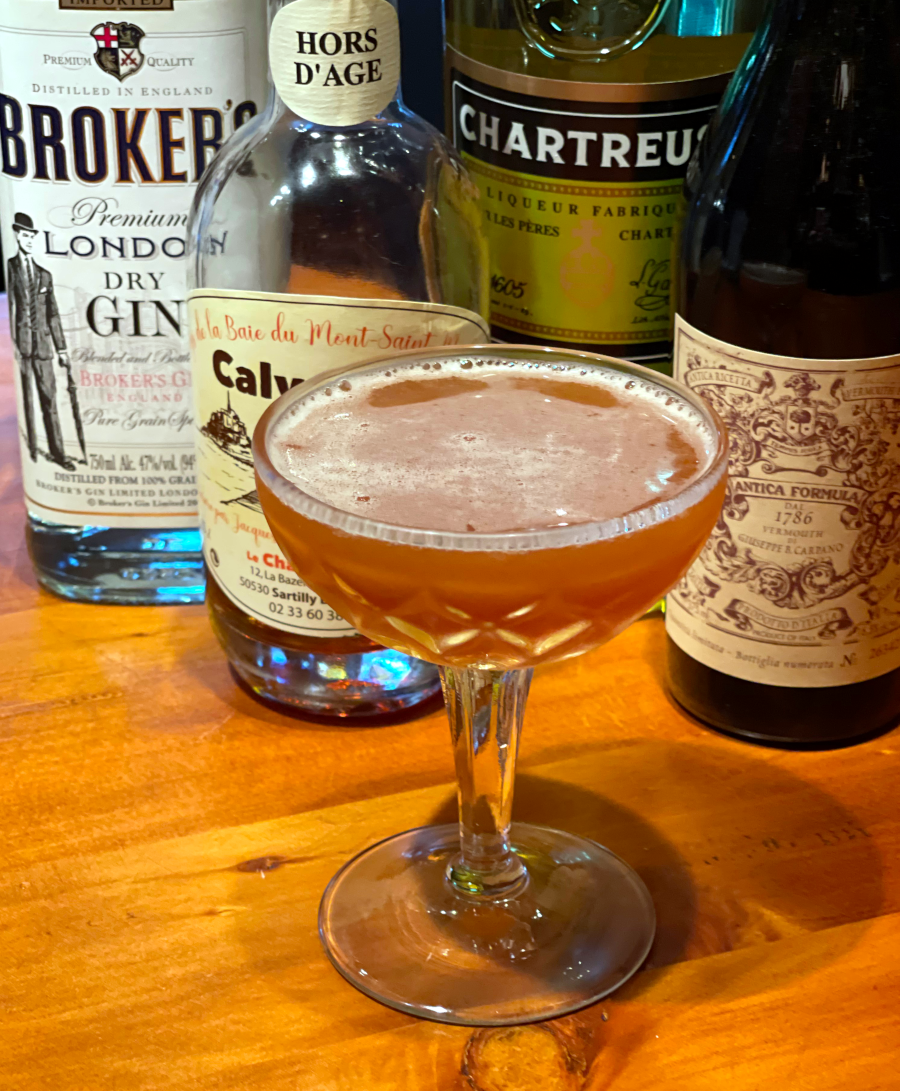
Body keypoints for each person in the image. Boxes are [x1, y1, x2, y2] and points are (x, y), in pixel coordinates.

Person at [7, 212, 75, 471]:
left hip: (44, 349)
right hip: (22, 347)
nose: (28, 240)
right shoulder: (11, 267)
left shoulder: (44, 275)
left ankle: (58, 454)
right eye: (24, 236)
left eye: (31, 236)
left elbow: (53, 314)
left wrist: (62, 349)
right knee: (27, 402)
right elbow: (12, 305)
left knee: (50, 401)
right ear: (16, 236)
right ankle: (33, 453)